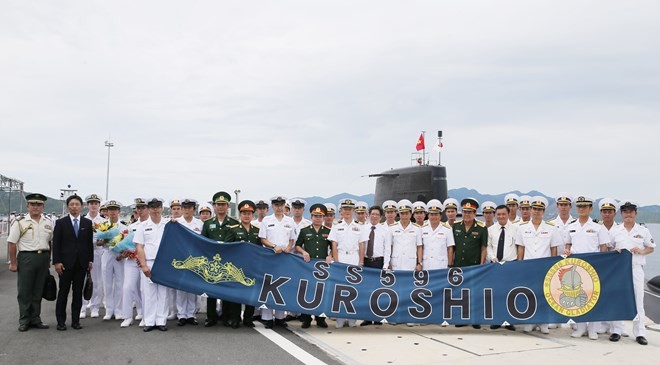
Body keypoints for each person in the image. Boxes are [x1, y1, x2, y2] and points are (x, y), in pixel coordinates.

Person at [609, 201, 655, 345]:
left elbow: (651, 247)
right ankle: (616, 330)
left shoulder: (643, 230)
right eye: (625, 211)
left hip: (636, 269)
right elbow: (608, 248)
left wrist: (642, 251)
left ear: (635, 213)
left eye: (631, 211)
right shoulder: (615, 230)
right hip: (619, 271)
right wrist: (613, 251)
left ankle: (640, 333)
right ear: (621, 214)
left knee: (638, 302)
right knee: (617, 300)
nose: (628, 214)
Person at [565, 196, 610, 340]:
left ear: (591, 209)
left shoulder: (598, 226)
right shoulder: (571, 226)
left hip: (593, 267)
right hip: (576, 267)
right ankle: (580, 327)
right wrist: (567, 251)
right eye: (579, 206)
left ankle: (593, 329)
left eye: (585, 206)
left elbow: (604, 247)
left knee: (593, 298)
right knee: (578, 297)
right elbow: (567, 245)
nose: (582, 209)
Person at [515, 196, 562, 334]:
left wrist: (553, 267)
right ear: (531, 210)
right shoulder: (523, 228)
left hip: (545, 267)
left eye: (539, 209)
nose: (536, 211)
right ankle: (530, 321)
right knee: (529, 294)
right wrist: (520, 264)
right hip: (528, 266)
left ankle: (543, 323)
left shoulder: (551, 228)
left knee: (544, 295)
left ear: (543, 211)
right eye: (534, 209)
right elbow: (521, 248)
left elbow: (554, 249)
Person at [7, 193, 53, 332]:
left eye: (38, 205)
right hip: (27, 258)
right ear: (28, 206)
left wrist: (49, 260)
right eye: (33, 204)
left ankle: (35, 318)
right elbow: (12, 243)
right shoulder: (20, 222)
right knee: (25, 291)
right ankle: (24, 320)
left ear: (43, 207)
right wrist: (13, 263)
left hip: (43, 257)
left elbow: (50, 242)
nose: (35, 207)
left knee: (38, 290)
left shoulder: (47, 222)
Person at [53, 194, 94, 331]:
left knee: (78, 293)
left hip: (81, 264)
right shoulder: (61, 223)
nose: (74, 207)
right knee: (63, 292)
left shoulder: (87, 223)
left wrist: (90, 260)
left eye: (77, 204)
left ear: (81, 207)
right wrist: (57, 262)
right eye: (72, 204)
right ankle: (61, 321)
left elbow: (89, 244)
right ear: (68, 207)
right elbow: (56, 244)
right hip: (65, 264)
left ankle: (75, 321)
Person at [201, 191, 239, 327]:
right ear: (214, 206)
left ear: (228, 206)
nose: (221, 207)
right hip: (212, 261)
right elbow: (203, 241)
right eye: (218, 204)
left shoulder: (234, 223)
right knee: (211, 288)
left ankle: (226, 315)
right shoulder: (208, 223)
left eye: (223, 204)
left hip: (228, 261)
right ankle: (211, 317)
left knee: (226, 287)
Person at [258, 196, 296, 328]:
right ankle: (267, 318)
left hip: (284, 257)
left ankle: (280, 317)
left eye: (281, 204)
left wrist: (289, 247)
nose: (279, 207)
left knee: (282, 286)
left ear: (284, 206)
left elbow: (292, 239)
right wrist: (274, 246)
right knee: (268, 287)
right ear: (272, 207)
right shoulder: (267, 220)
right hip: (270, 255)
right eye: (276, 205)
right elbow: (262, 238)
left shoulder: (290, 221)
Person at [225, 200, 263, 328]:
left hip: (252, 266)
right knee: (236, 293)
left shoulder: (257, 231)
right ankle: (235, 318)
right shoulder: (233, 230)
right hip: (237, 266)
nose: (246, 215)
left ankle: (248, 318)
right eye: (244, 213)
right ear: (240, 214)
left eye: (249, 213)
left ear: (253, 215)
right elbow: (228, 247)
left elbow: (260, 249)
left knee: (250, 292)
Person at [329, 198, 365, 328]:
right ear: (342, 211)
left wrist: (361, 261)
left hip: (354, 258)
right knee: (339, 290)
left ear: (353, 211)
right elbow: (334, 244)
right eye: (345, 209)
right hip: (341, 257)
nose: (347, 211)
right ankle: (340, 318)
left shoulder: (359, 227)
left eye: (350, 209)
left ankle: (351, 319)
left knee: (353, 289)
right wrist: (336, 261)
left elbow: (361, 245)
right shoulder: (336, 226)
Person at [295, 203, 332, 328]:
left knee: (321, 291)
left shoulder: (328, 231)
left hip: (322, 267)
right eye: (315, 216)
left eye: (320, 216)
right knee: (306, 291)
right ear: (311, 217)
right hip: (308, 266)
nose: (318, 218)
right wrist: (303, 252)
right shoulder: (305, 231)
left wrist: (330, 255)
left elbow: (333, 247)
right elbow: (297, 245)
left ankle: (320, 318)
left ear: (323, 218)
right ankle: (306, 318)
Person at [135, 198, 169, 332]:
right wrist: (143, 265)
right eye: (152, 207)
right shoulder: (142, 226)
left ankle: (161, 321)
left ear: (162, 208)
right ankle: (149, 321)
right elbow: (139, 247)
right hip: (149, 262)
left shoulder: (168, 224)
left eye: (158, 206)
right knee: (149, 294)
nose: (155, 209)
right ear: (148, 209)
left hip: (164, 263)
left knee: (163, 293)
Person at [452, 198, 487, 329]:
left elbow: (484, 248)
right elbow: (452, 247)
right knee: (461, 293)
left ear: (474, 213)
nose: (467, 214)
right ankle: (462, 318)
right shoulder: (456, 226)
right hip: (459, 265)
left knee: (474, 293)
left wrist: (481, 264)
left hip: (474, 265)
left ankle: (475, 318)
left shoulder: (481, 228)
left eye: (470, 212)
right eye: (465, 212)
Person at [359, 205, 392, 327]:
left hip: (378, 262)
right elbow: (360, 246)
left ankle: (378, 317)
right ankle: (367, 317)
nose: (374, 216)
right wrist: (361, 262)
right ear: (368, 214)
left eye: (377, 214)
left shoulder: (385, 230)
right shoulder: (363, 228)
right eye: (372, 214)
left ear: (380, 217)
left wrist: (386, 265)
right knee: (366, 291)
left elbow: (387, 249)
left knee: (378, 291)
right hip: (366, 261)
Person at [174, 199, 203, 327]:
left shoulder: (200, 224)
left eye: (189, 207)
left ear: (194, 209)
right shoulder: (176, 222)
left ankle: (191, 315)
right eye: (184, 207)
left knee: (192, 288)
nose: (186, 209)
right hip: (181, 258)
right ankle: (181, 315)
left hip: (195, 259)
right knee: (180, 288)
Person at [120, 198, 147, 328]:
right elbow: (125, 242)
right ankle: (127, 316)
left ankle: (145, 315)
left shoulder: (151, 224)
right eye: (138, 208)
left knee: (144, 289)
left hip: (145, 260)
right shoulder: (132, 226)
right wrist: (124, 250)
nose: (140, 210)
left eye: (143, 207)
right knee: (128, 287)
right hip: (131, 260)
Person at [81, 193, 105, 319]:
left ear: (99, 205)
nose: (93, 206)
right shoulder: (82, 220)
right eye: (91, 203)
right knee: (81, 280)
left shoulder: (104, 222)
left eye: (96, 203)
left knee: (96, 281)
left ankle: (95, 306)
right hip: (83, 253)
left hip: (97, 253)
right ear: (87, 205)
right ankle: (83, 307)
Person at [101, 200, 126, 321]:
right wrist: (104, 239)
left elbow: (128, 243)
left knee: (120, 283)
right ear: (107, 211)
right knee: (107, 283)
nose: (112, 212)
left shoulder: (124, 227)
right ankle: (109, 310)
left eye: (115, 210)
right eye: (110, 210)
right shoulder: (102, 226)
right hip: (107, 254)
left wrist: (122, 253)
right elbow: (97, 242)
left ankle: (118, 310)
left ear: (119, 211)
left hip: (119, 256)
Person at [421, 199, 454, 270]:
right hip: (426, 264)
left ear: (440, 216)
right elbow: (421, 247)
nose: (434, 217)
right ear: (428, 216)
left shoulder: (447, 229)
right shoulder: (422, 229)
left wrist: (449, 265)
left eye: (436, 214)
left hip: (441, 265)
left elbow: (450, 248)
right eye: (431, 214)